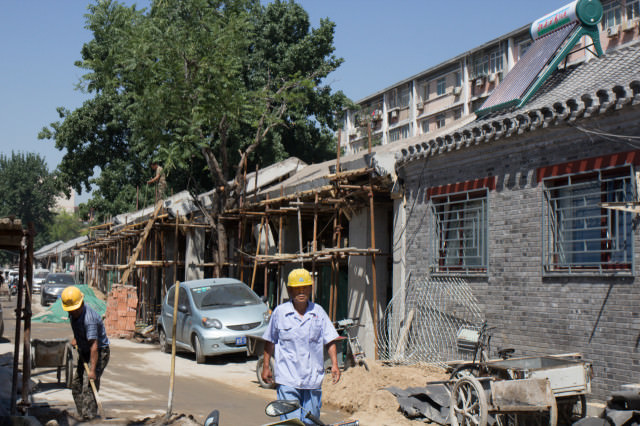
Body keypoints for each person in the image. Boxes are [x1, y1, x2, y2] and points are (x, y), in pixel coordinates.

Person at [261, 268, 341, 425]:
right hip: (287, 378)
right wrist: (266, 366)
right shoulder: (280, 313)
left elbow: (330, 340)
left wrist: (335, 364)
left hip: (312, 380)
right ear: (290, 290)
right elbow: (270, 341)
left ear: (310, 289)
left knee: (311, 421)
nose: (301, 292)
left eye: (305, 288)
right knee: (292, 422)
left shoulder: (318, 312)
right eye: (297, 288)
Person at [61, 286, 110, 420]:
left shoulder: (89, 319)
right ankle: (82, 415)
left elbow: (94, 346)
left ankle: (90, 418)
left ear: (81, 304)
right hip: (85, 349)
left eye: (74, 310)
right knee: (76, 385)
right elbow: (78, 327)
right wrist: (77, 338)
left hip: (99, 352)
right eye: (70, 310)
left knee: (89, 386)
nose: (72, 313)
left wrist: (92, 370)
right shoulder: (73, 313)